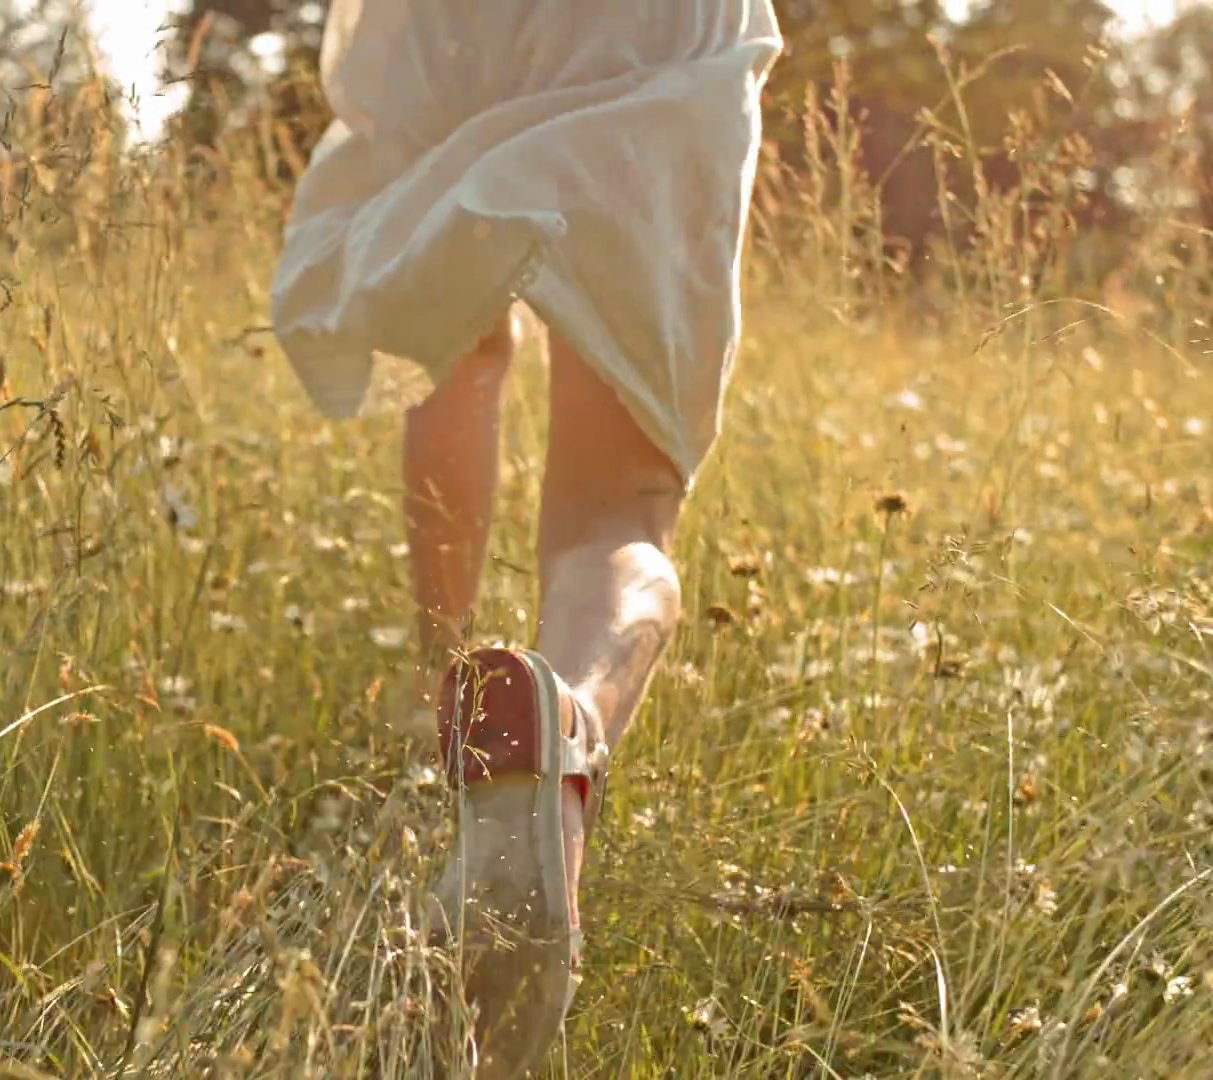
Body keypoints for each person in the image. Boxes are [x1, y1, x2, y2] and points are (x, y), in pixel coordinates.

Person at [268, 1, 784, 1073]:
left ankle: (447, 695)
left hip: (449, 26)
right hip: (652, 28)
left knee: (457, 338)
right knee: (617, 509)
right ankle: (566, 724)